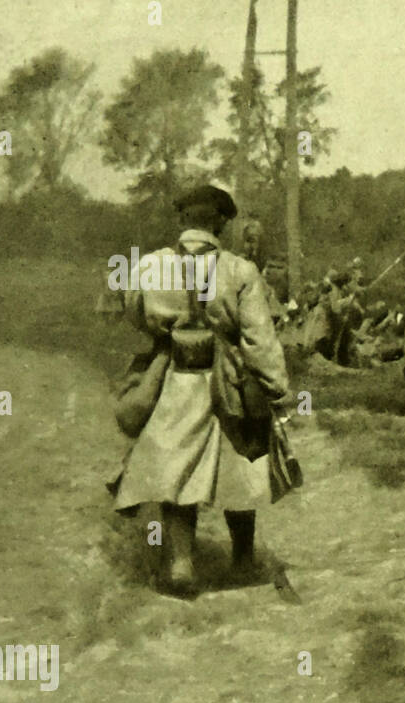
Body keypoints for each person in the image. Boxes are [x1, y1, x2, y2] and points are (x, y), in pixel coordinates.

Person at [110, 184, 291, 595]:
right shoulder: (240, 270)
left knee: (176, 468)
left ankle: (181, 564)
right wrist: (278, 389)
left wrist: (165, 326)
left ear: (182, 220)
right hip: (228, 379)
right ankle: (243, 560)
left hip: (173, 376)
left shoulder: (150, 266)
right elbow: (259, 339)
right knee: (240, 463)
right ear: (222, 223)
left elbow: (134, 313)